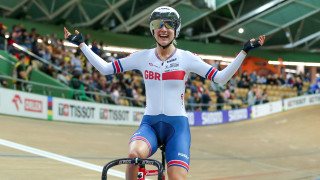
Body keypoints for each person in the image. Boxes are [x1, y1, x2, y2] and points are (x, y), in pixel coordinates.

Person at [64, 6, 265, 180]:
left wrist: (244, 52)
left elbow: (220, 78)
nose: (163, 29)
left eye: (169, 25)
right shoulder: (142, 57)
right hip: (150, 125)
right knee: (134, 156)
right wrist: (82, 45)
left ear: (176, 30)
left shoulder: (187, 58)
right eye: (158, 24)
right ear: (152, 29)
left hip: (177, 127)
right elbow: (106, 69)